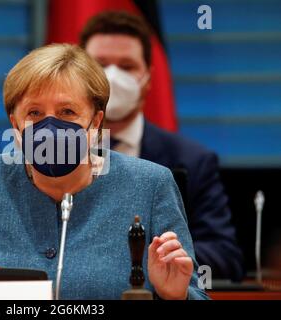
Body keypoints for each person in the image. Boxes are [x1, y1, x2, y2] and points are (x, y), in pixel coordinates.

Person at [0, 44, 208, 300]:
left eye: (67, 111)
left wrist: (173, 295)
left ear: (95, 123)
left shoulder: (150, 184)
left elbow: (194, 293)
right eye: (35, 113)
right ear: (16, 124)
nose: (50, 126)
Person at [80, 11, 244, 281]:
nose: (112, 76)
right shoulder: (54, 154)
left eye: (127, 66)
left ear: (148, 79)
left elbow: (224, 256)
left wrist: (146, 257)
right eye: (100, 64)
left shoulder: (192, 160)